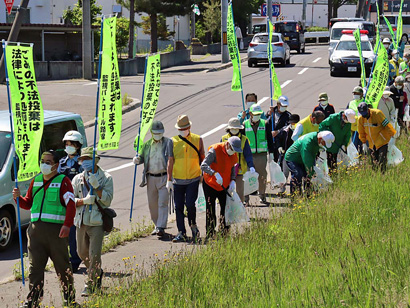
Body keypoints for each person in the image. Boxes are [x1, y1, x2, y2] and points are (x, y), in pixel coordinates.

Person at [12, 151, 78, 308]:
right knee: (34, 269)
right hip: (35, 233)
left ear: (55, 165)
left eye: (48, 162)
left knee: (63, 268)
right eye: (43, 161)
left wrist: (67, 225)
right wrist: (18, 198)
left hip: (56, 233)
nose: (44, 164)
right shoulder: (35, 181)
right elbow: (27, 203)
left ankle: (70, 301)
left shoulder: (64, 181)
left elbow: (71, 205)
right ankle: (33, 302)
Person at [71, 147, 113, 296]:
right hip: (81, 220)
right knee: (82, 253)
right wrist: (83, 201)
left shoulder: (106, 177)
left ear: (96, 160)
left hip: (96, 222)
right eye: (83, 160)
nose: (85, 163)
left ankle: (91, 284)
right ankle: (97, 272)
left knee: (94, 254)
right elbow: (70, 201)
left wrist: (97, 186)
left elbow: (107, 201)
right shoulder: (77, 179)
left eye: (88, 159)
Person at [168, 115, 205, 243]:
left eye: (184, 128)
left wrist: (202, 174)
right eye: (180, 129)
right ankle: (181, 232)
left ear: (189, 127)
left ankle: (193, 227)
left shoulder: (197, 139)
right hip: (177, 180)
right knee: (178, 206)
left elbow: (202, 158)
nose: (182, 130)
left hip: (193, 179)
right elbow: (170, 161)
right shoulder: (172, 141)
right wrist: (169, 180)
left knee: (190, 205)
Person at [133, 120, 173, 237]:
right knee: (152, 204)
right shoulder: (146, 145)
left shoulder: (168, 142)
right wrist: (137, 160)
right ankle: (156, 225)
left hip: (163, 176)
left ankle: (161, 226)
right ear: (151, 132)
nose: (158, 135)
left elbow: (171, 158)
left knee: (162, 202)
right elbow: (141, 158)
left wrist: (170, 179)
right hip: (150, 177)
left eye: (160, 133)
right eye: (155, 133)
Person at [201, 136, 242, 238]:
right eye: (232, 149)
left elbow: (233, 168)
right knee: (210, 209)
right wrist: (214, 173)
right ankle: (210, 233)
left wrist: (233, 180)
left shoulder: (233, 154)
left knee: (226, 208)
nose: (233, 152)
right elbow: (203, 165)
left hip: (224, 185)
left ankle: (224, 231)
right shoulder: (215, 150)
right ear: (228, 144)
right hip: (210, 184)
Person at [58, 130, 83, 273]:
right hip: (63, 204)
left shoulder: (82, 163)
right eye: (66, 144)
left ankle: (75, 260)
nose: (68, 147)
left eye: (71, 144)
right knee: (63, 234)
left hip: (77, 203)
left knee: (74, 235)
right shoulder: (61, 163)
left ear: (77, 146)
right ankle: (64, 259)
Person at [244, 104, 274, 204]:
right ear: (251, 114)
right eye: (255, 114)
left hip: (261, 154)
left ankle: (262, 195)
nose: (257, 116)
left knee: (262, 176)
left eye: (259, 114)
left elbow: (269, 139)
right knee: (247, 176)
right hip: (248, 155)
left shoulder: (265, 123)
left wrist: (271, 152)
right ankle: (246, 198)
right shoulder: (245, 125)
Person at [221, 118, 255, 203]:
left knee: (240, 189)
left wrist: (251, 166)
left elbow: (248, 154)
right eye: (233, 128)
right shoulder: (224, 139)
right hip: (227, 169)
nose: (234, 130)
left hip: (240, 168)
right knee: (227, 189)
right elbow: (219, 154)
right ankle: (227, 207)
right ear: (229, 129)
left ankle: (241, 206)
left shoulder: (244, 139)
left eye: (236, 128)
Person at [357, 103, 396, 172]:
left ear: (368, 110)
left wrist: (393, 136)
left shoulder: (377, 114)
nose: (364, 116)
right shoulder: (361, 119)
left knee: (382, 162)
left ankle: (383, 177)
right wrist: (364, 143)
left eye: (365, 113)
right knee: (374, 164)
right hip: (371, 144)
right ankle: (376, 177)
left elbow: (387, 125)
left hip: (382, 142)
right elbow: (361, 132)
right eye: (362, 114)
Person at [276, 114, 300, 193]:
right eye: (291, 123)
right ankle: (282, 189)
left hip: (297, 156)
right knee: (284, 173)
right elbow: (278, 139)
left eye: (294, 123)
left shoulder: (301, 130)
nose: (292, 124)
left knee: (296, 173)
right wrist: (279, 147)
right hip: (286, 155)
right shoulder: (285, 130)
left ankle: (295, 191)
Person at [267, 95, 292, 162]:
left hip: (281, 143)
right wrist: (269, 114)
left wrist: (278, 131)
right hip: (271, 142)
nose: (284, 107)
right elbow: (265, 122)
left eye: (285, 106)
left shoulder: (288, 115)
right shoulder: (271, 112)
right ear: (278, 104)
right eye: (282, 105)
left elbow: (288, 126)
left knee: (280, 162)